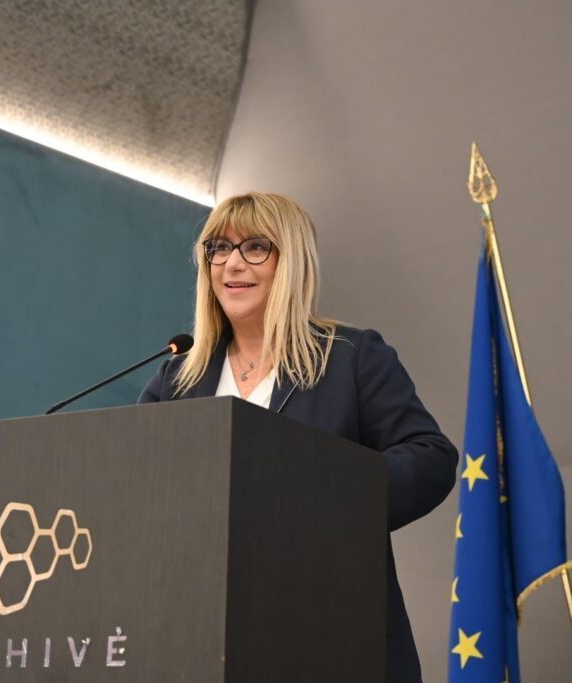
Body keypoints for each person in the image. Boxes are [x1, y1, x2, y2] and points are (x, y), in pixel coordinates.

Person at [139, 191, 457, 682]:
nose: (232, 263)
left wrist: (321, 495)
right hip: (198, 636)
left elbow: (430, 457)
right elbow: (136, 484)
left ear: (291, 262)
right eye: (218, 248)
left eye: (255, 247)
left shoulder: (351, 358)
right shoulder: (176, 379)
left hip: (329, 631)